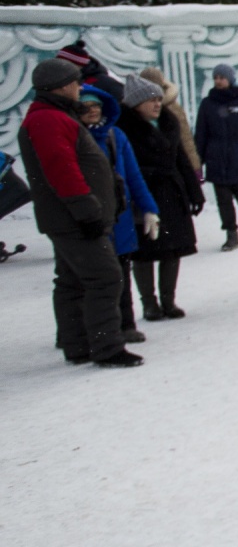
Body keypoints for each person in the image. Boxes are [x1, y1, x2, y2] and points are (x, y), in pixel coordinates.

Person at [18, 58, 141, 366]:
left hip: (66, 215)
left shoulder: (53, 116)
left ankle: (78, 345)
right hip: (72, 217)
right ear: (62, 87)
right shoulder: (49, 119)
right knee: (105, 277)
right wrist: (86, 210)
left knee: (72, 279)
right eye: (75, 82)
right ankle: (107, 348)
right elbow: (62, 168)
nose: (79, 88)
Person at [117, 75, 202, 320]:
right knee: (144, 251)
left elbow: (181, 158)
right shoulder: (125, 127)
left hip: (172, 192)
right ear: (135, 103)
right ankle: (149, 302)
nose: (157, 104)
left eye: (158, 99)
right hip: (143, 194)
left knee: (173, 248)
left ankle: (168, 300)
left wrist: (194, 190)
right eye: (151, 100)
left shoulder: (168, 121)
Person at [77, 84, 157, 343]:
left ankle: (126, 323)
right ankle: (89, 330)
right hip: (89, 216)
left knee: (121, 272)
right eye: (85, 107)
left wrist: (149, 208)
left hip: (119, 218)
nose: (91, 111)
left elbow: (134, 176)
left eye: (95, 106)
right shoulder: (74, 138)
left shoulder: (115, 136)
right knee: (93, 277)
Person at [195, 63, 238, 250]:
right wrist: (199, 160)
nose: (218, 81)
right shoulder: (207, 104)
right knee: (224, 202)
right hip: (216, 160)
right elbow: (201, 133)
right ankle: (231, 234)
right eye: (216, 78)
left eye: (222, 77)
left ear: (230, 79)